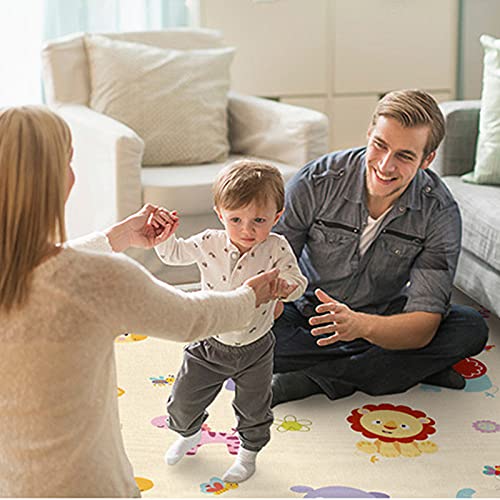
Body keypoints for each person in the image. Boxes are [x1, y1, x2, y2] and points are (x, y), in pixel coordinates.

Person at [0, 106, 282, 498]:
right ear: (59, 180)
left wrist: (116, 237)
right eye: (69, 161)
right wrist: (252, 296)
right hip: (89, 484)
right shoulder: (100, 280)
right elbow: (191, 319)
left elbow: (40, 262)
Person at [271, 89, 489, 407]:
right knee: (256, 337)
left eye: (404, 156)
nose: (385, 166)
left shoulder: (439, 212)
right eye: (380, 145)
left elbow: (424, 321)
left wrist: (361, 325)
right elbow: (268, 262)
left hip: (384, 318)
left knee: (470, 328)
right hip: (309, 315)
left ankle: (315, 379)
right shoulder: (316, 181)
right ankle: (409, 368)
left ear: (427, 160)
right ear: (369, 134)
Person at [149, 160, 307, 482]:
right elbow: (173, 254)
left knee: (254, 410)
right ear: (220, 214)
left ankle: (248, 455)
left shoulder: (276, 247)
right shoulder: (208, 242)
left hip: (256, 349)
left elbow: (298, 282)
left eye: (259, 220)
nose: (247, 230)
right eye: (236, 219)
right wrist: (164, 236)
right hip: (209, 343)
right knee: (181, 404)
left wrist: (286, 288)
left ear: (277, 217)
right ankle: (189, 433)